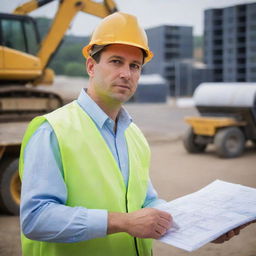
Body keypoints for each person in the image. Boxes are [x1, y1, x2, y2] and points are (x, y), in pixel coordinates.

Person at [19, 12, 253, 256]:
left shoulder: (134, 136)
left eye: (135, 66)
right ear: (91, 65)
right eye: (116, 61)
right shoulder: (53, 130)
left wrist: (203, 227)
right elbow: (36, 218)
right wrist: (121, 222)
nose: (126, 74)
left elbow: (147, 203)